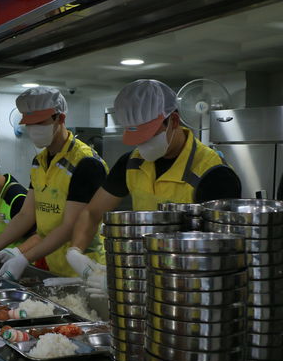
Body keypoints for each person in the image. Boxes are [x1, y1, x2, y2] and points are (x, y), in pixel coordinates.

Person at [68, 79, 242, 280]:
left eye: (147, 136)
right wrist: (76, 251)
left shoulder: (212, 173)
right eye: (136, 138)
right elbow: (91, 212)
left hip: (186, 286)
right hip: (140, 276)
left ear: (173, 121)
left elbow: (220, 252)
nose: (141, 145)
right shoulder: (132, 162)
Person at [0, 87, 108, 282]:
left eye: (40, 122)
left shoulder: (85, 163)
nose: (33, 129)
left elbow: (70, 226)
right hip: (54, 265)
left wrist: (24, 257)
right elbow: (26, 214)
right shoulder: (39, 161)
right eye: (29, 124)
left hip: (85, 269)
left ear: (60, 118)